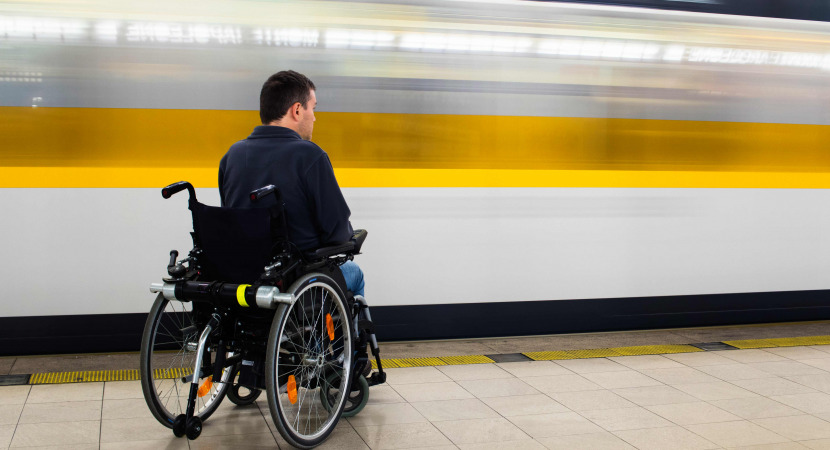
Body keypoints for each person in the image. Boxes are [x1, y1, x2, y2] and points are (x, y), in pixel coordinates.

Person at [218, 70, 364, 297]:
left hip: (243, 282)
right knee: (354, 272)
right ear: (297, 110)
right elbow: (337, 232)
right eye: (313, 109)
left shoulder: (232, 156)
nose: (314, 117)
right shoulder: (309, 155)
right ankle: (343, 333)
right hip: (295, 279)